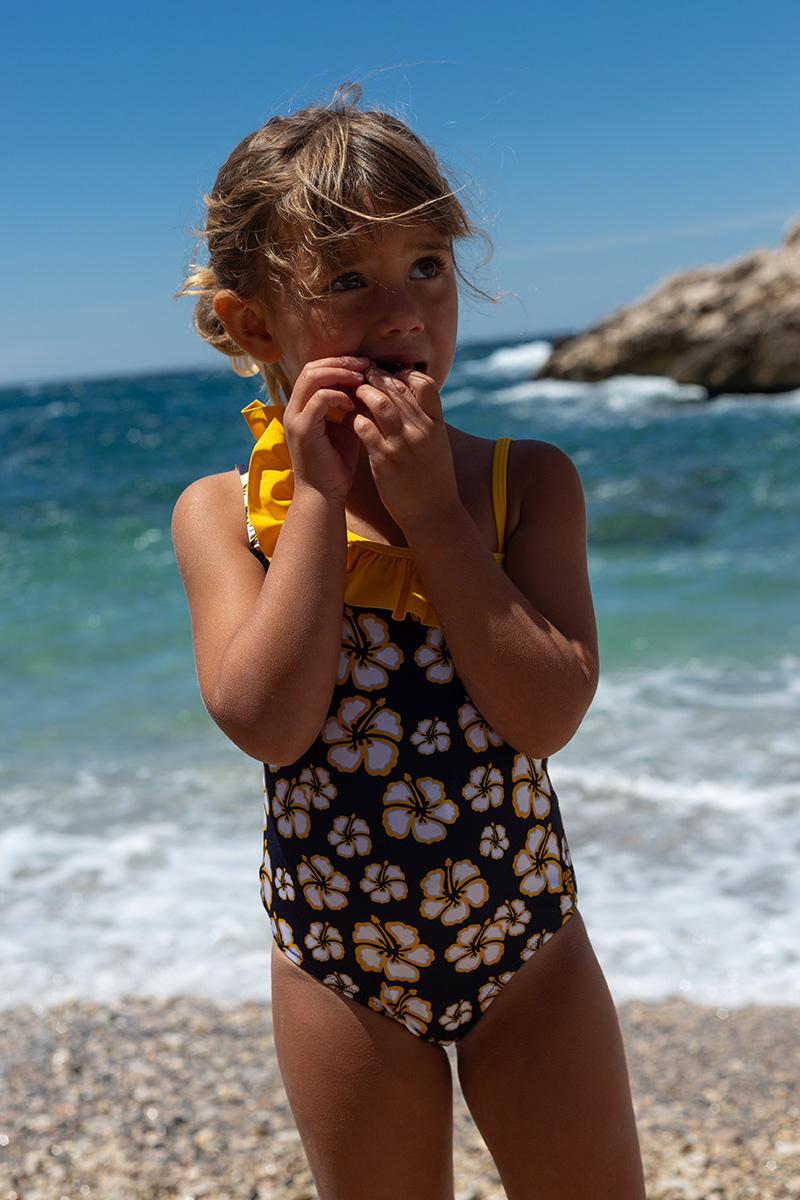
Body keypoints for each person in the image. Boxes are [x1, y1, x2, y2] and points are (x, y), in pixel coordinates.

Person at [171, 82, 647, 1200]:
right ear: (254, 327)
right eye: (346, 282)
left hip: (527, 948)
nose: (403, 311)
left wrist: (432, 513)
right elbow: (268, 725)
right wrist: (323, 506)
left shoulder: (519, 484)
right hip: (338, 969)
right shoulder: (222, 515)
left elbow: (544, 714)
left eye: (427, 265)